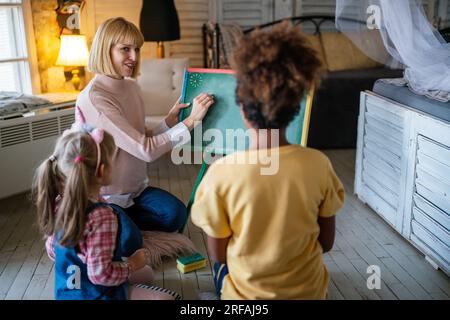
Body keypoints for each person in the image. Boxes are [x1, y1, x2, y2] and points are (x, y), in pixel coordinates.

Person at [190, 22, 345, 299]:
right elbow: (327, 242)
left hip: (246, 299)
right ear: (295, 109)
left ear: (242, 109)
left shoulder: (221, 174)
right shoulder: (319, 165)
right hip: (309, 294)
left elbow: (219, 254)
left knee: (217, 275)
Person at [76, 17, 214, 232]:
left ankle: (119, 224)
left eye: (137, 49)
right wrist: (190, 122)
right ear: (105, 50)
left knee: (176, 215)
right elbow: (146, 150)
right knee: (129, 241)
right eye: (125, 49)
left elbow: (142, 137)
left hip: (136, 191)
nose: (134, 57)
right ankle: (107, 222)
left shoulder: (131, 88)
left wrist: (169, 121)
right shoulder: (95, 99)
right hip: (104, 196)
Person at [33, 118, 181, 300]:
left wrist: (87, 257)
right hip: (98, 293)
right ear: (102, 170)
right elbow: (100, 276)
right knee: (168, 298)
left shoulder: (59, 204)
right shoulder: (102, 216)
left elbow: (53, 251)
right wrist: (132, 264)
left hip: (67, 293)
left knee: (147, 273)